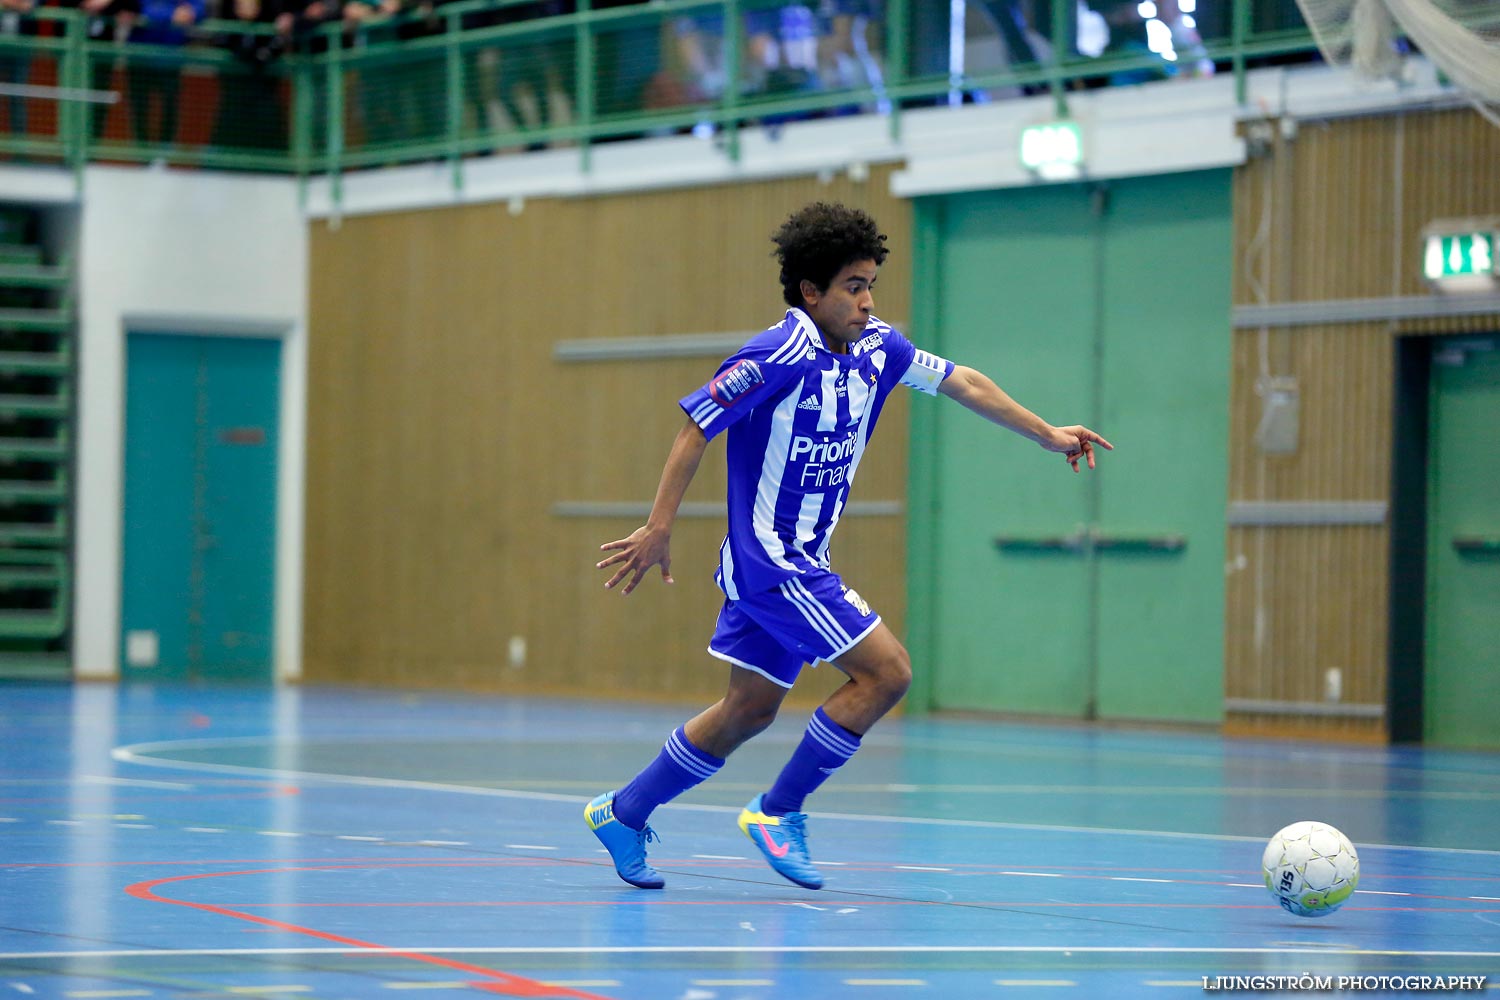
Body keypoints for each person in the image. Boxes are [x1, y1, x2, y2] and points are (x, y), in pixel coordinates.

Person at [585, 202, 1112, 890]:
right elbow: (695, 428)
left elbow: (964, 382)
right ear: (811, 292)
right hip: (776, 563)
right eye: (854, 287)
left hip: (797, 563)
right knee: (888, 672)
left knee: (748, 710)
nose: (868, 301)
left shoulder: (878, 349)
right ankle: (778, 811)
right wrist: (658, 526)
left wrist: (1046, 433)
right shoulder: (775, 354)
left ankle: (624, 813)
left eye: (870, 285)